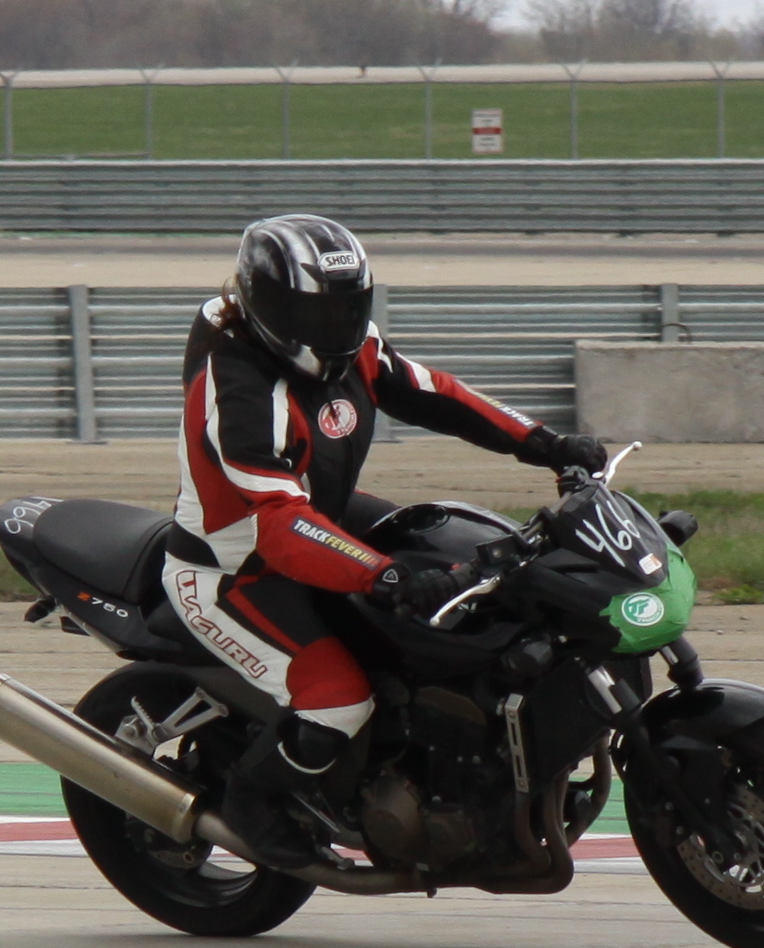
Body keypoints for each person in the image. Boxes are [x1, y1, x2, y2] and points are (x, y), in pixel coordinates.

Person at [171, 213, 602, 870]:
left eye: (349, 307)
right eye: (317, 312)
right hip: (235, 563)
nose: (337, 325)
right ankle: (251, 801)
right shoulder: (237, 393)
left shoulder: (354, 347)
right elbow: (277, 525)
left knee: (453, 560)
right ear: (268, 306)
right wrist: (382, 575)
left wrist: (546, 443)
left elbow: (439, 396)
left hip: (318, 517)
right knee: (338, 698)